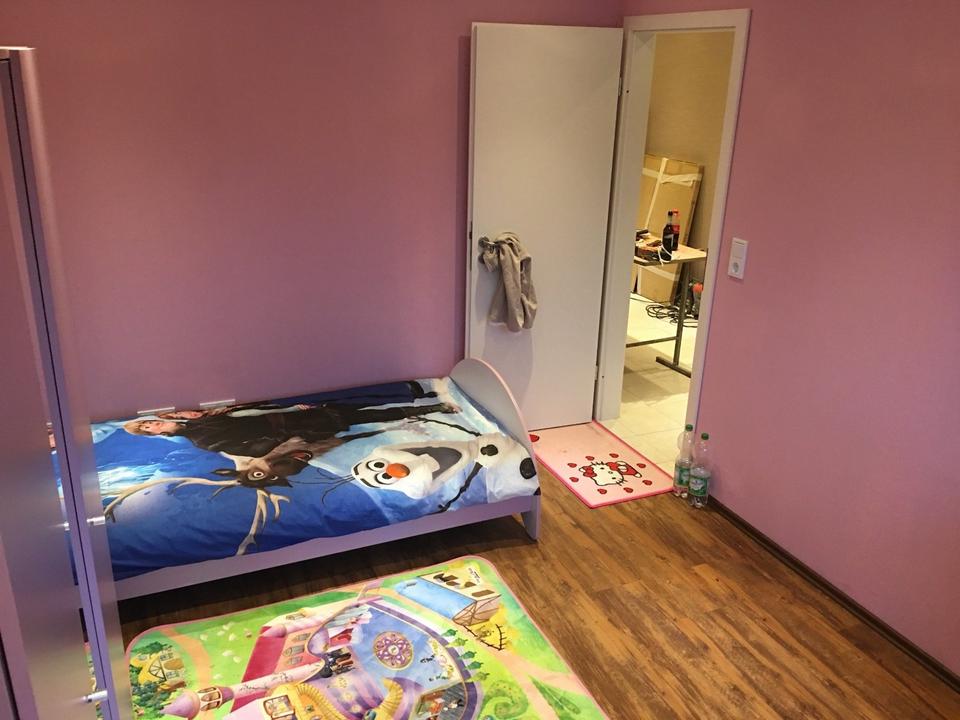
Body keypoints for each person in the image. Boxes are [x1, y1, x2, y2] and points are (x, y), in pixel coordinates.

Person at [125, 396, 457, 458]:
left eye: (149, 420)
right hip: (299, 425)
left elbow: (245, 410)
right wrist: (286, 435)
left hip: (294, 414)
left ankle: (426, 403)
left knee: (358, 408)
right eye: (148, 427)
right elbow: (253, 449)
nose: (153, 423)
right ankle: (432, 409)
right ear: (154, 435)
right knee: (365, 417)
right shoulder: (201, 438)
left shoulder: (192, 417)